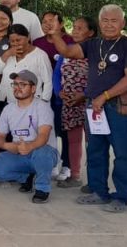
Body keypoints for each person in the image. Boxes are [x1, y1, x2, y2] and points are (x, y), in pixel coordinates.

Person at [49, 4, 127, 213]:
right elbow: (67, 51)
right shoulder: (93, 44)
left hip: (117, 106)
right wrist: (55, 34)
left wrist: (105, 96)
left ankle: (122, 197)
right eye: (105, 21)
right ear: (100, 23)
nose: (109, 25)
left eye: (114, 21)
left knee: (122, 153)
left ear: (123, 23)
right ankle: (99, 192)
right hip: (94, 107)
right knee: (95, 150)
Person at [0, 70, 59, 204]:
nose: (17, 88)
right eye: (15, 84)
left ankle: (42, 188)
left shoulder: (43, 107)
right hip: (19, 153)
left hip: (42, 152)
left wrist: (30, 146)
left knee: (43, 153)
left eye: (23, 84)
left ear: (33, 88)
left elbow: (43, 136)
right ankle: (26, 178)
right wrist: (6, 145)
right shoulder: (8, 109)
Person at [35, 11, 75, 183]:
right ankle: (50, 163)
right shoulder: (37, 43)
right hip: (42, 93)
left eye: (51, 20)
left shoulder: (70, 41)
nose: (47, 24)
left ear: (61, 23)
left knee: (64, 130)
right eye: (44, 21)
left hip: (63, 94)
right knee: (45, 129)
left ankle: (67, 164)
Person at [56, 16, 95, 189]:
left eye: (80, 28)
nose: (75, 31)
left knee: (93, 142)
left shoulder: (95, 51)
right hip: (70, 102)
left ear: (91, 32)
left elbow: (99, 78)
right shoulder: (66, 50)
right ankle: (75, 175)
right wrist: (59, 92)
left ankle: (94, 180)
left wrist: (84, 94)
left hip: (90, 102)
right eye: (74, 27)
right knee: (73, 140)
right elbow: (57, 74)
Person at [0, 24, 53, 105]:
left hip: (30, 103)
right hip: (4, 100)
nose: (15, 44)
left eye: (18, 40)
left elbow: (48, 81)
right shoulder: (9, 54)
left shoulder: (40, 55)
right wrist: (7, 54)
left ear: (28, 37)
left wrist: (44, 102)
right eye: (12, 41)